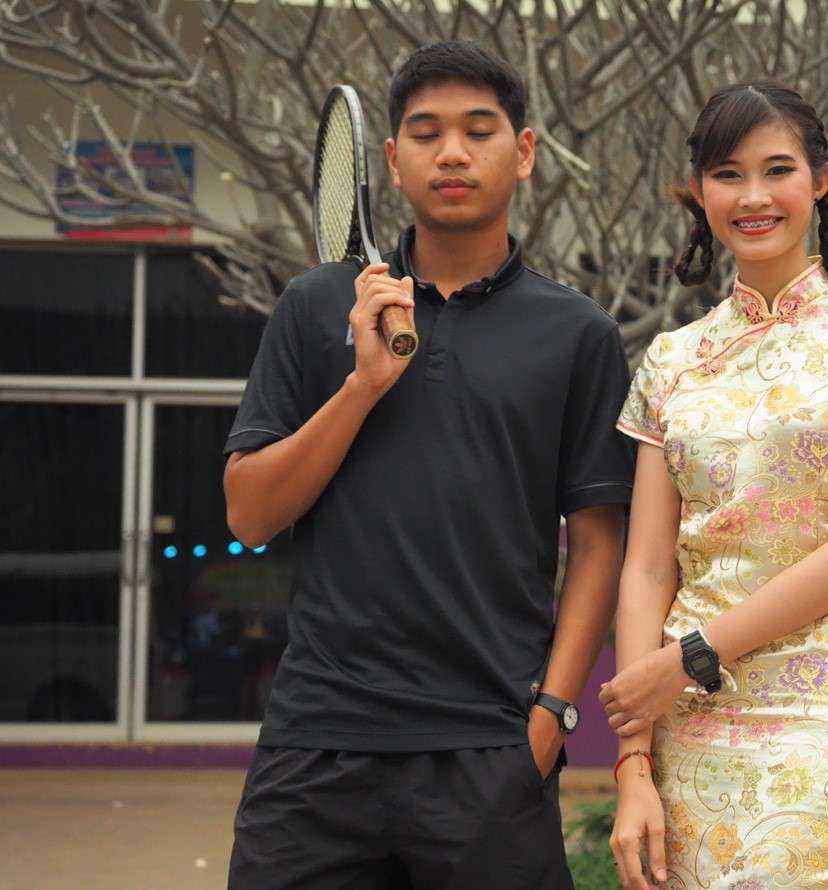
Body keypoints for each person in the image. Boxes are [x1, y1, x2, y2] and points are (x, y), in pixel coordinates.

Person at [223, 40, 633, 889]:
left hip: (490, 750)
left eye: (479, 131)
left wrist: (552, 717)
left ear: (523, 153)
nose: (452, 153)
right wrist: (363, 385)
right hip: (317, 746)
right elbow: (250, 515)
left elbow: (599, 542)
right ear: (391, 161)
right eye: (426, 133)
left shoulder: (578, 334)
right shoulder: (315, 306)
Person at [600, 80, 828, 890]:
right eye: (728, 174)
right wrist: (633, 761)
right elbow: (647, 567)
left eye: (777, 170)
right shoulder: (671, 360)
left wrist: (690, 656)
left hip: (826, 683)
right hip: (687, 703)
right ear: (700, 192)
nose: (753, 197)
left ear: (820, 181)